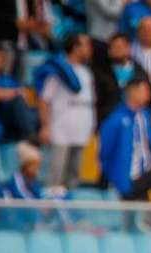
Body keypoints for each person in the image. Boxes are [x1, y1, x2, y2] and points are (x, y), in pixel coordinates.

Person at [98, 76, 151, 201]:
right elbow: (105, 153)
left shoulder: (145, 115)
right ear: (133, 91)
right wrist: (115, 177)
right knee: (136, 211)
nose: (148, 94)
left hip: (148, 170)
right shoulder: (116, 119)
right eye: (144, 90)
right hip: (129, 176)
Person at [36, 33, 96, 189]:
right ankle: (47, 211)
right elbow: (44, 99)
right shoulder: (58, 71)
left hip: (80, 132)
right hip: (60, 131)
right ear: (75, 47)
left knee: (73, 177)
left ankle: (68, 211)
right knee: (54, 177)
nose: (90, 49)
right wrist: (45, 126)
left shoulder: (86, 72)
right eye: (86, 45)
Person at [0, 45, 36, 143]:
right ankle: (31, 135)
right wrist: (16, 92)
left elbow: (26, 94)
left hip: (14, 121)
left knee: (35, 106)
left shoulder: (7, 78)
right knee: (18, 101)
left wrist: (15, 93)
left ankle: (33, 134)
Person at [92, 34, 149, 129]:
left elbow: (148, 98)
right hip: (108, 121)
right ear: (109, 51)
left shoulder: (140, 71)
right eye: (113, 47)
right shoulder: (100, 72)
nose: (117, 50)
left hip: (135, 123)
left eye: (120, 47)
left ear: (128, 48)